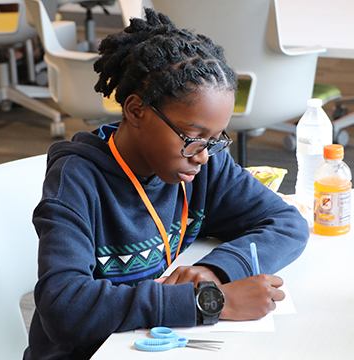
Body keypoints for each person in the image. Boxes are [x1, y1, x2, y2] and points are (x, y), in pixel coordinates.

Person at [23, 8, 309, 360]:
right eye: (193, 136)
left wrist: (215, 271)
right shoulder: (77, 181)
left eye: (216, 139)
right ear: (136, 110)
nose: (204, 154)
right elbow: (65, 308)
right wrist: (209, 301)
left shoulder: (201, 164)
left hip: (156, 343)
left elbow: (287, 223)